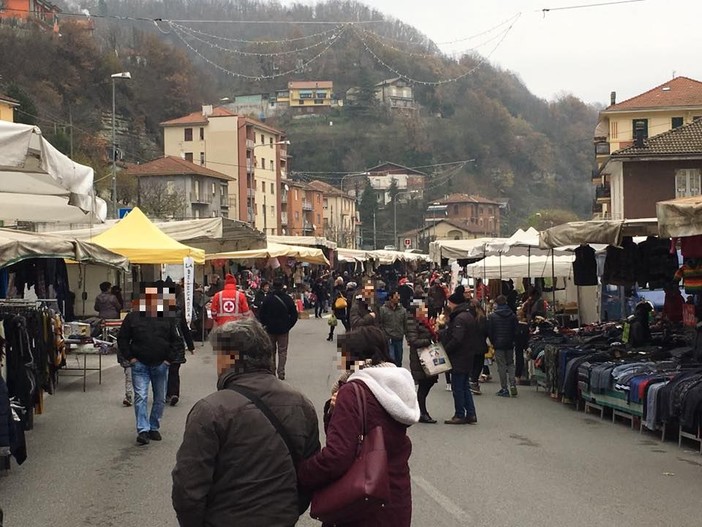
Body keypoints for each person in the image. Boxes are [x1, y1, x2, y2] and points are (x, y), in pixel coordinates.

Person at [172, 318, 320, 526]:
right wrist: (290, 510)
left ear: (229, 358)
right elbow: (310, 473)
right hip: (282, 517)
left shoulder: (211, 410)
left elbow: (188, 487)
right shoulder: (301, 404)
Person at [297, 326, 419, 526]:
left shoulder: (353, 391)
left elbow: (337, 455)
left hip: (361, 504)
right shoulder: (395, 385)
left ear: (356, 357)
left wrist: (302, 473)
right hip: (395, 496)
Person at [117, 283, 180, 445]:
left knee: (159, 398)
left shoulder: (167, 317)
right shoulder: (132, 317)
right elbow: (122, 338)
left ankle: (153, 426)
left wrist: (168, 360)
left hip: (161, 364)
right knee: (141, 396)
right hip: (140, 364)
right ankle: (143, 430)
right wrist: (131, 358)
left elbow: (176, 340)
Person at [440, 289, 478, 425]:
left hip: (459, 357)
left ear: (454, 303)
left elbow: (457, 339)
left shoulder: (459, 318)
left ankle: (460, 414)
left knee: (458, 387)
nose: (448, 305)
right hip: (467, 355)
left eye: (450, 303)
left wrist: (445, 350)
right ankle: (471, 413)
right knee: (465, 386)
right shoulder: (468, 315)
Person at [258, 279, 299, 381]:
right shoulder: (287, 299)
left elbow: (261, 314)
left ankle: (272, 371)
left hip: (270, 329)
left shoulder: (268, 299)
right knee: (282, 351)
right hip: (283, 329)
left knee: (271, 351)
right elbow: (294, 315)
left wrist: (265, 324)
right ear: (282, 287)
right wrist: (289, 325)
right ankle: (281, 372)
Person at [406, 300, 439, 423]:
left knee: (428, 383)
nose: (425, 310)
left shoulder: (425, 322)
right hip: (420, 358)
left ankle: (421, 411)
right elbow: (413, 341)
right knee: (424, 385)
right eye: (422, 309)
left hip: (428, 356)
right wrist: (429, 341)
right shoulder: (413, 323)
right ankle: (422, 412)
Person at [167, 285, 196, 407]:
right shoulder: (179, 311)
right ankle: (174, 393)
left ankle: (166, 393)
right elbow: (185, 330)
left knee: (164, 370)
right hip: (177, 345)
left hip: (164, 345)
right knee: (174, 371)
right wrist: (190, 347)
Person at [488, 295, 519, 398]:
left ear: (497, 304)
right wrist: (513, 340)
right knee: (510, 364)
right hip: (509, 343)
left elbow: (491, 331)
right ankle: (513, 384)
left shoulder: (493, 316)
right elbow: (516, 330)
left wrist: (493, 342)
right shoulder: (512, 315)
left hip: (498, 344)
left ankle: (504, 388)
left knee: (501, 366)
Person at [379, 289, 409, 367]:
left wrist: (408, 337)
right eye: (396, 296)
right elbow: (380, 323)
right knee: (391, 359)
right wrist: (384, 335)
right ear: (390, 298)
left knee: (399, 359)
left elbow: (405, 324)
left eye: (398, 296)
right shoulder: (383, 310)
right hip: (388, 338)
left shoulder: (402, 310)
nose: (398, 298)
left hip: (399, 338)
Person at [469, 300, 489, 396]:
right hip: (480, 344)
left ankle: (471, 381)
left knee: (471, 364)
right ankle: (474, 381)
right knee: (479, 364)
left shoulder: (468, 318)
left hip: (470, 344)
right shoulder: (483, 318)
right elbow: (486, 331)